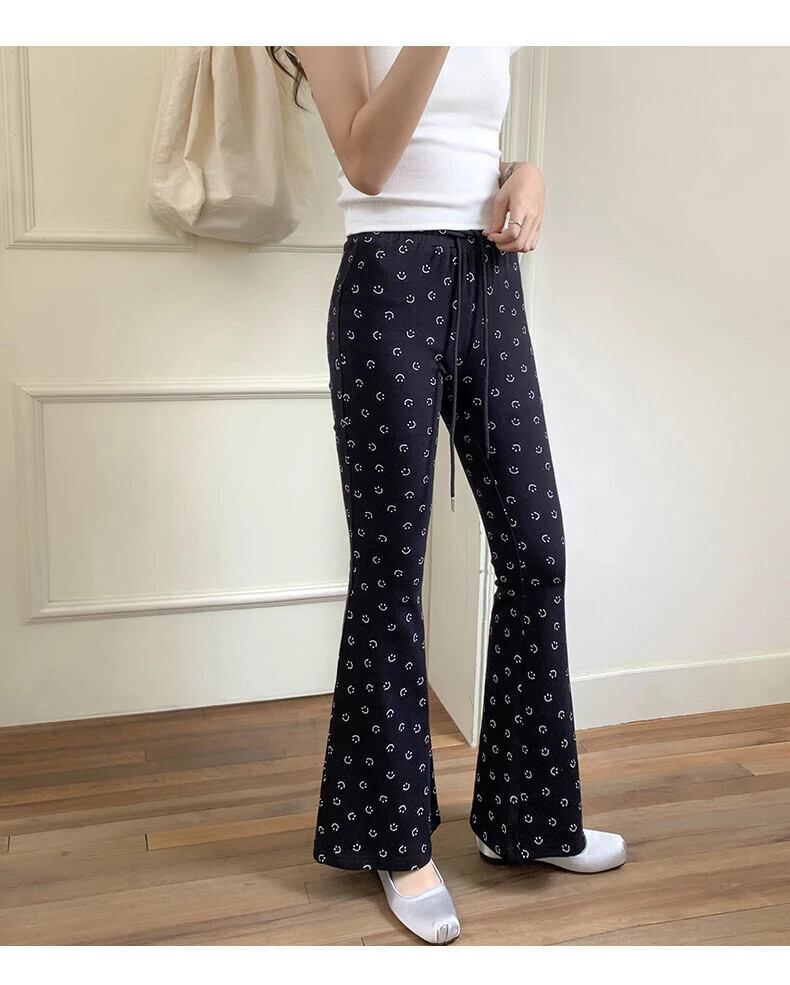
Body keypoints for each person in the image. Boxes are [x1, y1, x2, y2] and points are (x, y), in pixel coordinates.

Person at [269, 45, 627, 946]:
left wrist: (527, 173)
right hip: (387, 280)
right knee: (392, 571)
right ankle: (395, 843)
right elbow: (368, 160)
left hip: (489, 281)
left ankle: (527, 820)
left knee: (536, 553)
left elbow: (465, 146)